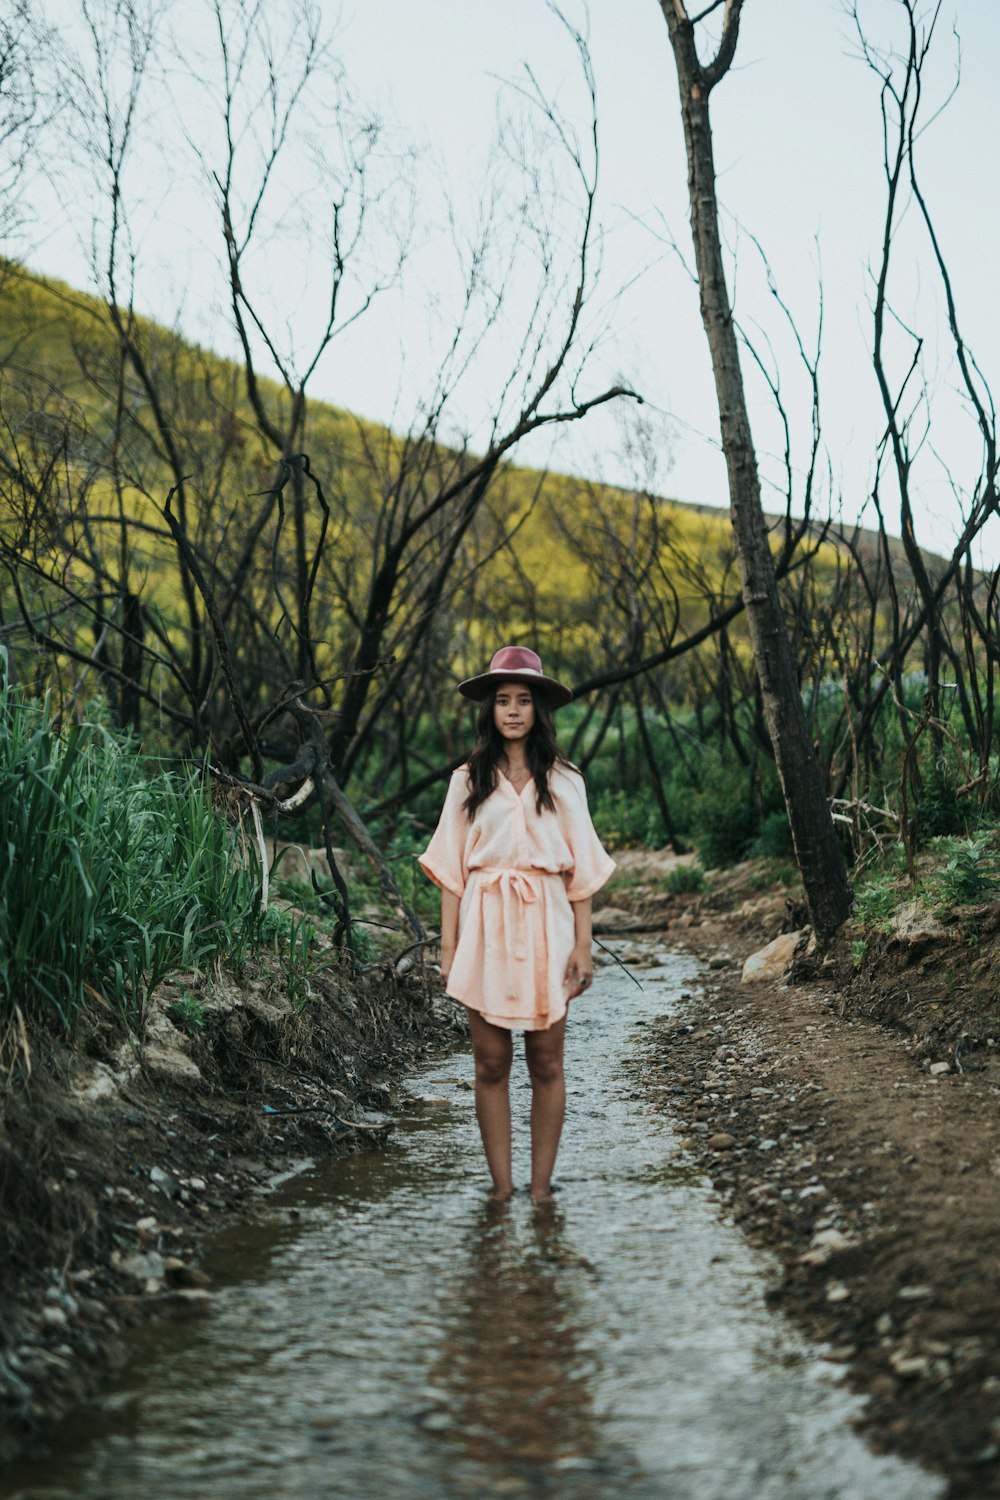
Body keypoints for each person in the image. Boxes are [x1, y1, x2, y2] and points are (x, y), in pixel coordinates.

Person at [418, 646, 616, 1203]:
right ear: (489, 709)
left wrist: (584, 945)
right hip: (485, 920)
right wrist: (449, 948)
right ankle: (501, 1188)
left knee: (547, 1059)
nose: (512, 710)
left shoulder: (564, 780)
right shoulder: (467, 780)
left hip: (548, 923)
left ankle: (541, 1189)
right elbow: (452, 872)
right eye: (502, 700)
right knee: (490, 1061)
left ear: (537, 709)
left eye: (523, 700)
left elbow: (581, 873)